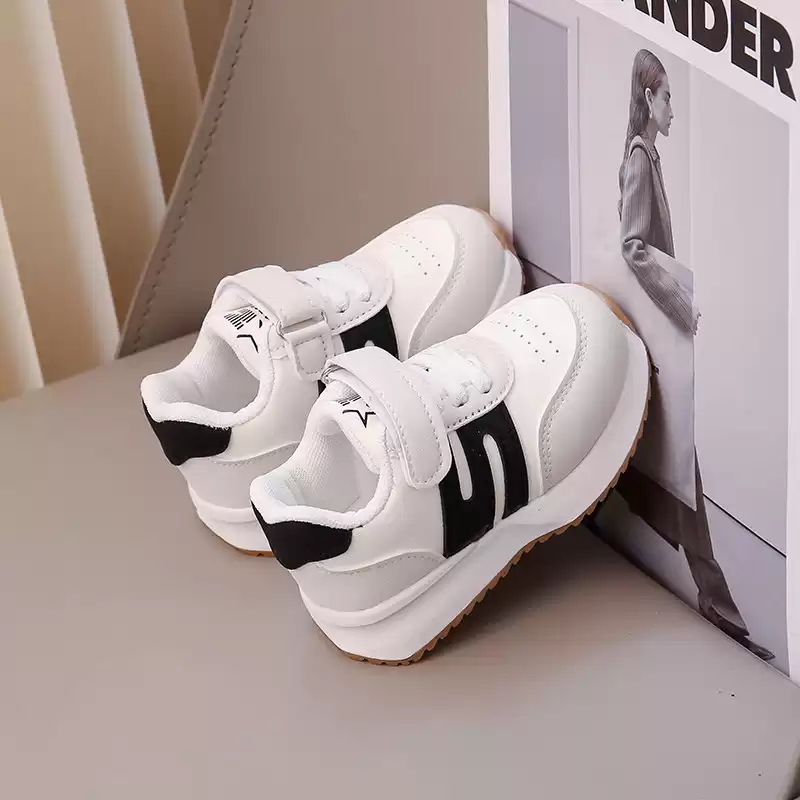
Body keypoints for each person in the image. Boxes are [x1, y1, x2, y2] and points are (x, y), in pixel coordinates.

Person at [612, 49, 773, 661]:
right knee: (684, 469)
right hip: (658, 334)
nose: (673, 108)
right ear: (648, 100)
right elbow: (632, 246)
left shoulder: (649, 157)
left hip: (660, 338)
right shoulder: (639, 158)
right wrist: (680, 303)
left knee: (678, 465)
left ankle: (710, 599)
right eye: (668, 97)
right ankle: (717, 604)